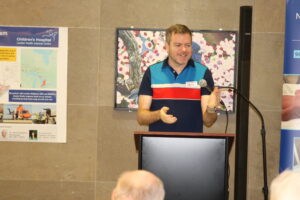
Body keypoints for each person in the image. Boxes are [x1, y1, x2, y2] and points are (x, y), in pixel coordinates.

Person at [137, 24, 220, 132]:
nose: (184, 49)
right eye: (178, 45)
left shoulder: (203, 73)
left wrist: (211, 108)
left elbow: (208, 122)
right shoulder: (152, 72)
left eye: (188, 45)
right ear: (167, 46)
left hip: (192, 145)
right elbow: (141, 117)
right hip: (158, 144)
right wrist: (159, 115)